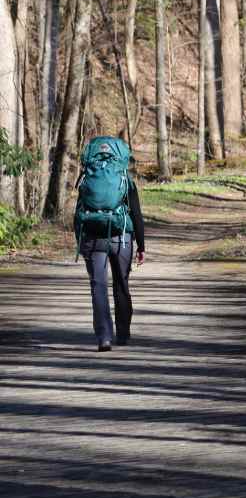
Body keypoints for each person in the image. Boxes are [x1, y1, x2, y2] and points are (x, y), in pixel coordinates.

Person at [74, 137, 145, 352]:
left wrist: (80, 239)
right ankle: (122, 334)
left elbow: (78, 213)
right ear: (122, 156)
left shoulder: (88, 176)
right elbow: (137, 214)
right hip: (121, 236)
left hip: (93, 236)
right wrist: (141, 246)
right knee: (121, 284)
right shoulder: (125, 179)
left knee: (99, 286)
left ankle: (104, 336)